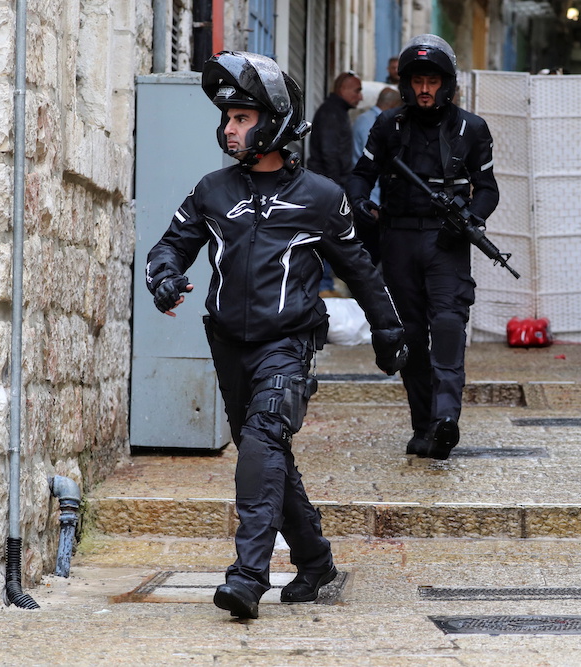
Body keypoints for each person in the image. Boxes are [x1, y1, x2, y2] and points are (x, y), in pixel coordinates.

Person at [145, 51, 407, 620]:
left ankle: (248, 576)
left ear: (273, 123)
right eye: (228, 118)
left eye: (242, 118)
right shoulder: (212, 190)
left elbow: (361, 270)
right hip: (226, 344)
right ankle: (316, 562)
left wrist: (389, 331)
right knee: (265, 456)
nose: (229, 128)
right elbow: (169, 246)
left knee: (263, 440)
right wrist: (163, 278)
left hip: (287, 345)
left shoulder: (321, 197)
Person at [347, 34, 500, 461]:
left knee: (449, 326)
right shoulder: (388, 125)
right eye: (418, 81)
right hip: (397, 240)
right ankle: (424, 425)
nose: (425, 89)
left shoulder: (472, 129)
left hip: (446, 243)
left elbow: (487, 190)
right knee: (410, 335)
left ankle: (446, 419)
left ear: (446, 84)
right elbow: (361, 175)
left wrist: (469, 219)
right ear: (406, 84)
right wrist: (359, 203)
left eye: (432, 81)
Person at [307, 71, 364, 295]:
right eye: (357, 91)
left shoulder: (336, 111)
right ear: (343, 89)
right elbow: (330, 154)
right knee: (327, 235)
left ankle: (325, 284)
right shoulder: (331, 113)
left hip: (329, 185)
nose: (360, 97)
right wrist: (335, 190)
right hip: (328, 186)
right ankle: (323, 286)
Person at [351, 86, 401, 262]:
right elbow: (372, 165)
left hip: (367, 195)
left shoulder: (362, 118)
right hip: (371, 199)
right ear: (393, 105)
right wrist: (374, 203)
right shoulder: (376, 123)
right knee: (370, 254)